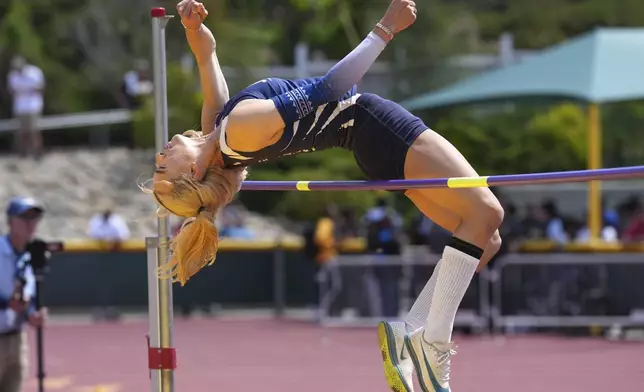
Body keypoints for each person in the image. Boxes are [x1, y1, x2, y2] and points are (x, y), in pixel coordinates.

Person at [144, 1, 504, 392]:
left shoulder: (220, 134)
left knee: (486, 238)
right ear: (194, 172)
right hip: (375, 126)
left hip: (369, 147)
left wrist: (193, 28)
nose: (161, 154)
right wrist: (386, 27)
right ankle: (433, 345)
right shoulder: (238, 131)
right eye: (164, 166)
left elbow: (207, 58)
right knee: (487, 212)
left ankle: (412, 330)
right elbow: (329, 89)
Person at [0, 197, 47, 392]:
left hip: (16, 338)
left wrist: (31, 314)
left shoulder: (30, 255)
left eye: (35, 219)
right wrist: (5, 304)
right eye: (25, 218)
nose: (31, 224)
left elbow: (28, 297)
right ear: (10, 221)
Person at [7, 56, 46, 158]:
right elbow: (12, 90)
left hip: (33, 105)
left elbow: (40, 87)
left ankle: (37, 151)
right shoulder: (13, 76)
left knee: (34, 130)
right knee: (22, 131)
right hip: (20, 107)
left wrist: (27, 89)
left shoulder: (34, 72)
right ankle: (23, 152)